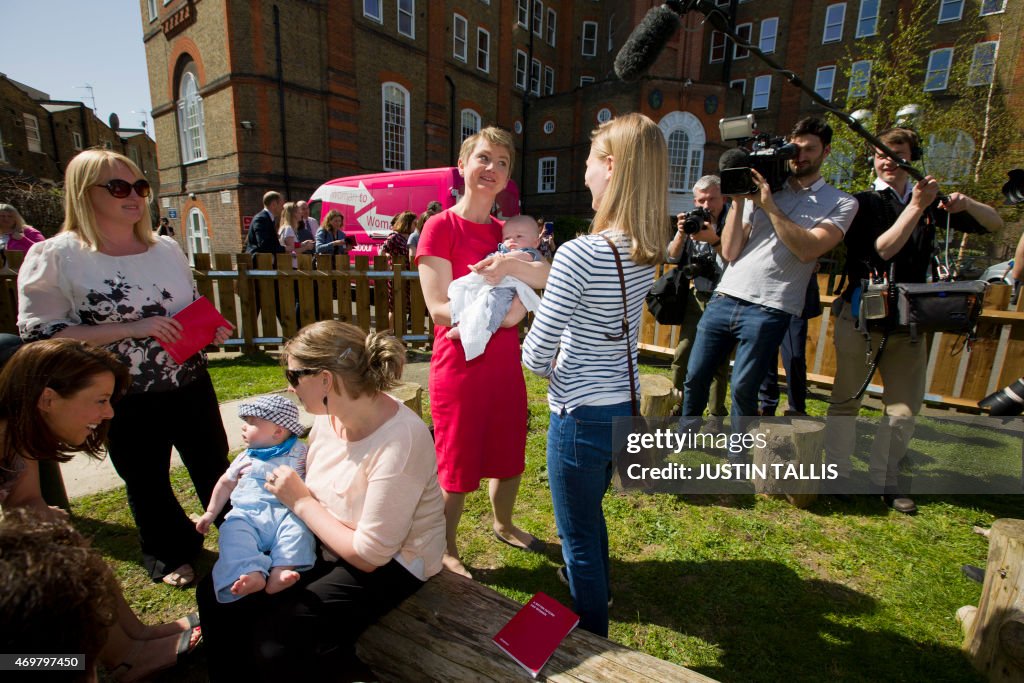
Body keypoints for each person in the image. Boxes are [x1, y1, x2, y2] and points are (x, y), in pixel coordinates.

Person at [17, 148, 232, 587]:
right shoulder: (56, 255)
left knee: (214, 462)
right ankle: (168, 553)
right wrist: (132, 327)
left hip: (188, 379)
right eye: (118, 187)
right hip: (121, 395)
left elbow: (185, 308)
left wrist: (209, 328)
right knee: (145, 478)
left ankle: (242, 536)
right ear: (84, 193)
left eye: (140, 186)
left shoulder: (166, 247)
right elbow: (42, 336)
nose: (133, 196)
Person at [197, 320, 446, 682]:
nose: (289, 385)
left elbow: (371, 555)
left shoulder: (400, 441)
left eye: (294, 375)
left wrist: (299, 502)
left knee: (277, 640)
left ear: (326, 380)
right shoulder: (332, 416)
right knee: (217, 592)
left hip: (394, 560)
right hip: (325, 535)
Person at [521, 113, 667, 637]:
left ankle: (592, 642)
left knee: (576, 536)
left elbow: (534, 356)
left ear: (611, 166)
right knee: (590, 515)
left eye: (587, 162)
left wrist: (552, 347)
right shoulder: (649, 250)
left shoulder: (580, 253)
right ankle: (600, 586)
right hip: (622, 409)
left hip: (579, 415)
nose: (583, 175)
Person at [0, 339, 202, 682]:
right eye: (100, 401)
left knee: (60, 538)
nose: (109, 413)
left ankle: (134, 638)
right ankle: (117, 659)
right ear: (48, 398)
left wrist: (50, 529)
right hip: (12, 656)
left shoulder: (18, 427)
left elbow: (26, 503)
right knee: (30, 653)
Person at [824, 127, 1002, 513]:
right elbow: (882, 250)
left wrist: (963, 202)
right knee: (846, 400)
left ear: (911, 157)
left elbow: (995, 225)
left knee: (904, 409)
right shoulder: (861, 203)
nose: (887, 160)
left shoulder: (929, 202)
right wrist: (917, 207)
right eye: (879, 153)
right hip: (861, 316)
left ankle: (883, 479)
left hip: (909, 320)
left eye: (896, 153)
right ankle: (836, 473)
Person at [417, 127, 550, 578]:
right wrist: (499, 308)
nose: (492, 169)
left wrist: (514, 286)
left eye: (502, 163)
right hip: (459, 368)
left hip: (503, 366)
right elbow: (438, 310)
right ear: (463, 164)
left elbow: (544, 278)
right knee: (456, 464)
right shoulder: (441, 226)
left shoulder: (508, 234)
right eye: (484, 158)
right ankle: (446, 545)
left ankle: (503, 523)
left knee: (509, 454)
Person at [682, 117, 858, 437]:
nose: (799, 156)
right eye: (794, 148)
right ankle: (685, 437)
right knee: (695, 376)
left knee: (743, 389)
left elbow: (808, 250)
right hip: (726, 296)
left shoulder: (842, 202)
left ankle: (739, 458)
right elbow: (731, 251)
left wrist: (769, 205)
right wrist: (738, 200)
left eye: (809, 150)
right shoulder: (761, 191)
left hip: (771, 307)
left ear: (826, 152)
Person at [196, 394, 315, 603]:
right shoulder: (245, 457)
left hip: (286, 512)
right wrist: (211, 512)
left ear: (278, 431)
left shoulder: (300, 453)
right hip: (248, 515)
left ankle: (282, 568)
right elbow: (225, 483)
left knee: (299, 530)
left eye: (251, 423)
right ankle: (250, 572)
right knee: (233, 533)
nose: (244, 427)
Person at [666, 175, 729, 420]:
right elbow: (671, 257)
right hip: (698, 296)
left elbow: (733, 258)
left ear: (723, 198)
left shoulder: (732, 221)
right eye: (701, 200)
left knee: (718, 362)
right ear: (694, 200)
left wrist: (713, 238)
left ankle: (715, 415)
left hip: (724, 297)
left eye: (712, 199)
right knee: (682, 354)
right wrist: (681, 233)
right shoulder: (693, 222)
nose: (706, 205)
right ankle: (676, 404)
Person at [445, 214, 543, 360]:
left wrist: (502, 260)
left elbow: (521, 257)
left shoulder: (530, 252)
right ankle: (464, 323)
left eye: (519, 236)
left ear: (536, 242)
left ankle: (481, 331)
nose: (512, 240)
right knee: (471, 298)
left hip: (507, 288)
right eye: (507, 237)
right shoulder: (500, 251)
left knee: (495, 305)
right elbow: (488, 259)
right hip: (489, 285)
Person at [757, 273, 821, 416]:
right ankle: (767, 406)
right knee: (766, 354)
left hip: (798, 299)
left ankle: (796, 408)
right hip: (768, 295)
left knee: (795, 356)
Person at [381, 210, 415, 331]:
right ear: (406, 224)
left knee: (402, 306)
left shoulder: (409, 238)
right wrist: (388, 262)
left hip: (406, 275)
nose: (416, 226)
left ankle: (399, 333)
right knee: (394, 307)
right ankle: (390, 332)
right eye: (414, 224)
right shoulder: (394, 237)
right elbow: (382, 251)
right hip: (395, 275)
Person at [245, 191, 285, 255]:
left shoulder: (269, 218)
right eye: (281, 205)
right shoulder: (261, 219)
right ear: (273, 204)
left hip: (266, 260)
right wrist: (285, 248)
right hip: (260, 261)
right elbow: (264, 245)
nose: (283, 208)